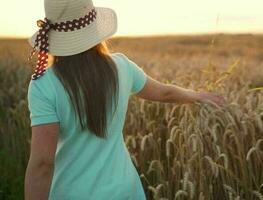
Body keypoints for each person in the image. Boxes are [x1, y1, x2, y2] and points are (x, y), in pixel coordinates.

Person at [24, 0, 226, 199]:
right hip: (125, 191)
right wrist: (198, 96)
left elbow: (43, 163)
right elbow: (165, 93)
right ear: (93, 28)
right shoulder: (121, 67)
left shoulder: (43, 85)